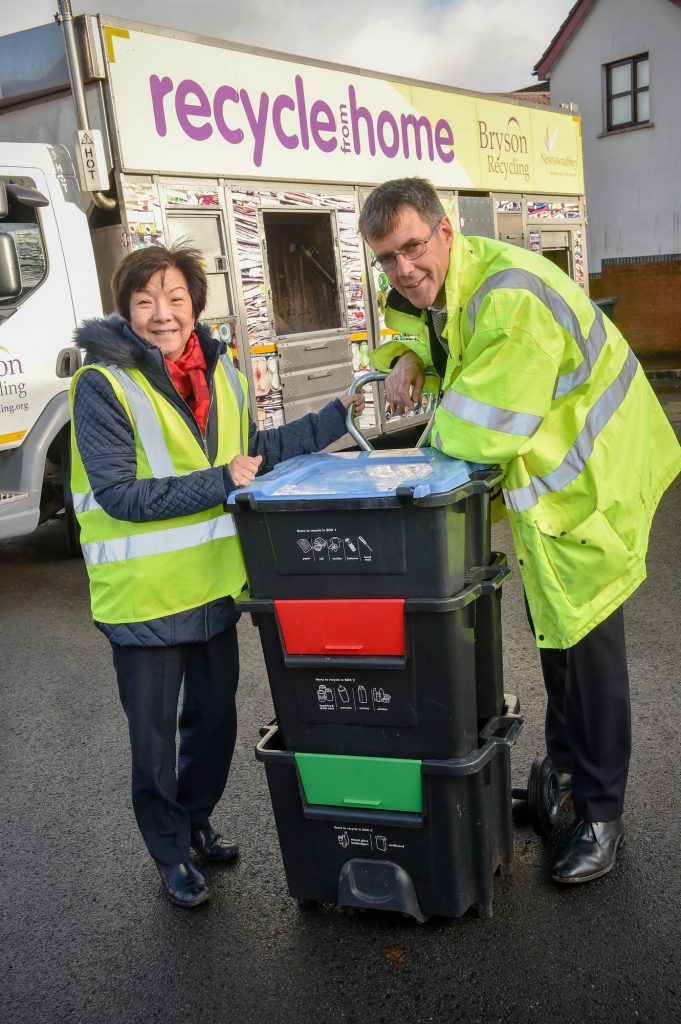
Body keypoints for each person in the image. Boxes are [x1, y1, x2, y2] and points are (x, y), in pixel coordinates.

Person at [358, 177, 681, 884]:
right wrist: (407, 354)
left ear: (446, 232)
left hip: (591, 486)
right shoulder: (456, 287)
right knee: (557, 640)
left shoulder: (507, 299)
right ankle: (564, 776)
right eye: (386, 258)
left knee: (590, 656)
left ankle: (600, 816)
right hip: (551, 494)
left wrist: (395, 481)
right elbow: (423, 324)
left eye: (413, 248)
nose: (403, 269)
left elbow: (474, 434)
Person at [69, 243, 364, 908]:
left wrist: (338, 415)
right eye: (144, 301)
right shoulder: (104, 383)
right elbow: (120, 495)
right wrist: (217, 480)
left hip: (213, 592)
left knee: (214, 725)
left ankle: (195, 817)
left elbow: (255, 455)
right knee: (152, 742)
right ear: (126, 310)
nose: (161, 314)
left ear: (195, 304)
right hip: (144, 600)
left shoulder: (222, 372)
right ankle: (169, 851)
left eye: (174, 298)